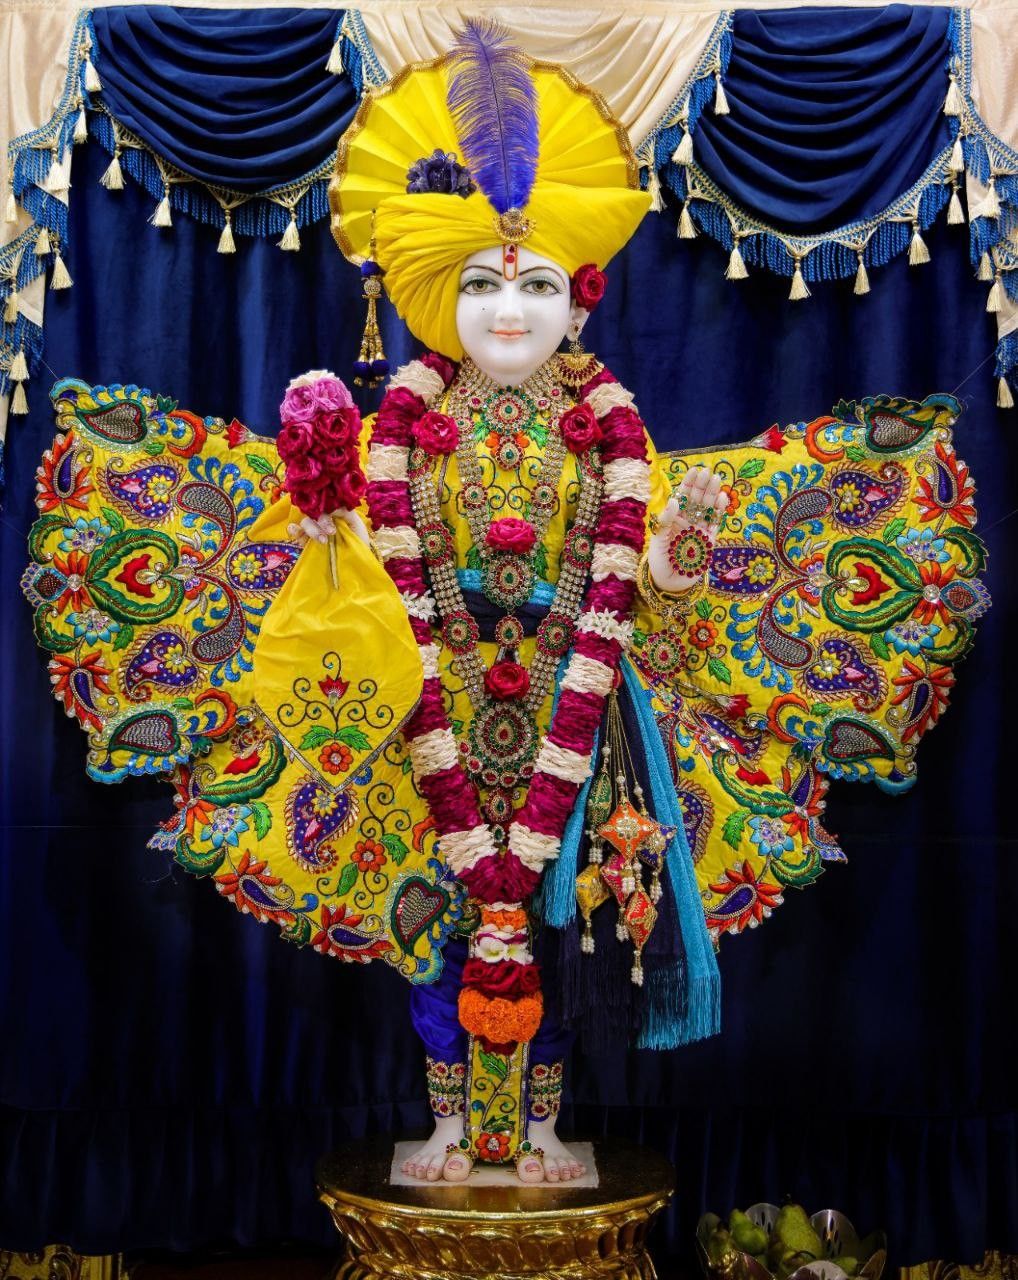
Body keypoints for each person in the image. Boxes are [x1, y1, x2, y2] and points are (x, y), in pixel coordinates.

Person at [21, 21, 989, 1185]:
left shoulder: (613, 434)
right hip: (420, 701)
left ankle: (537, 1124)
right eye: (480, 284)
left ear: (578, 302)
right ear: (434, 298)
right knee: (438, 922)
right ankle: (447, 1124)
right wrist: (319, 523)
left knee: (562, 918)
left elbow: (635, 564)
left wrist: (676, 562)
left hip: (580, 708)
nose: (509, 310)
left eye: (533, 284)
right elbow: (365, 558)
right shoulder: (397, 433)